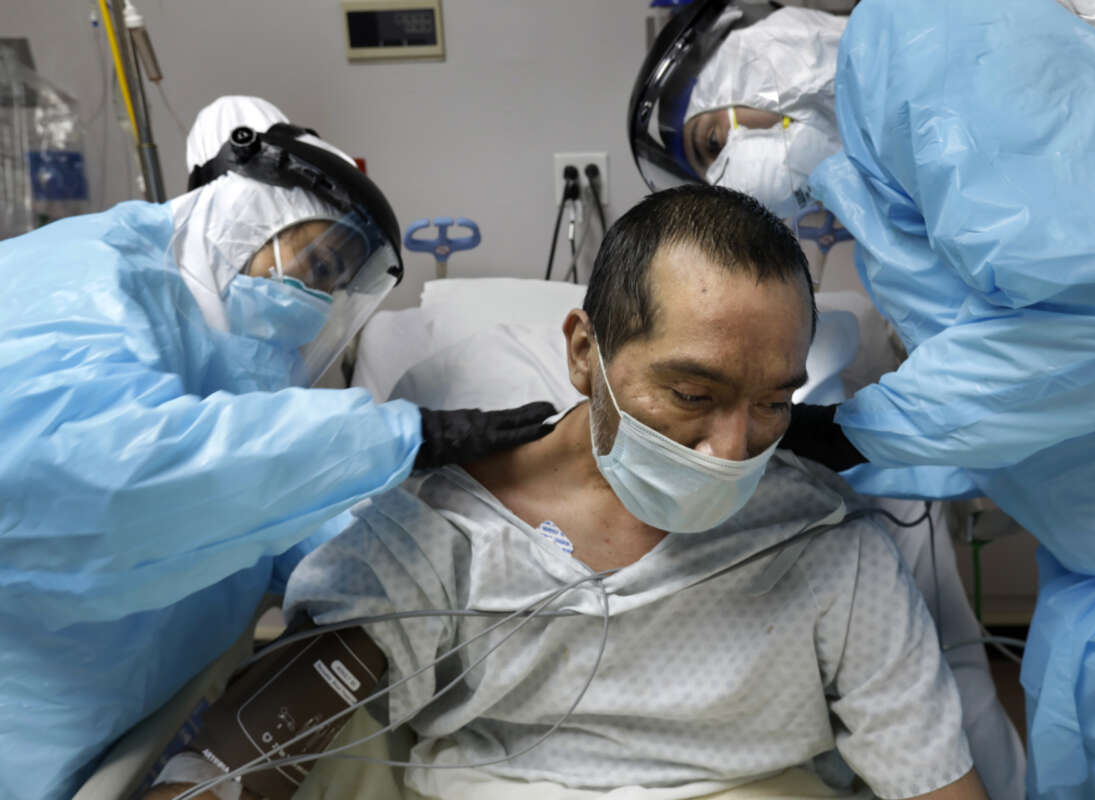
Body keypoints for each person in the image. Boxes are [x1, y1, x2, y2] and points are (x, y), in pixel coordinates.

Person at [150, 186, 990, 800]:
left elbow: (927, 775)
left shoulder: (826, 545)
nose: (731, 449)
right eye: (692, 395)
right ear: (585, 353)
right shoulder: (452, 527)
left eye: (772, 402)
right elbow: (264, 732)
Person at [629, 2, 1095, 798]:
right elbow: (1055, 382)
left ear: (770, 64)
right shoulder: (895, 162)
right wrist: (875, 459)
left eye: (716, 142)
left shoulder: (929, 30)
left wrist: (868, 435)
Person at [0, 96, 552, 800]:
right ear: (243, 216)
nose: (317, 297)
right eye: (315, 262)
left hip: (130, 714)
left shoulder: (240, 346)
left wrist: (414, 537)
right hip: (32, 727)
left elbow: (272, 508)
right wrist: (404, 436)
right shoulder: (78, 277)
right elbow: (107, 483)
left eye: (334, 280)